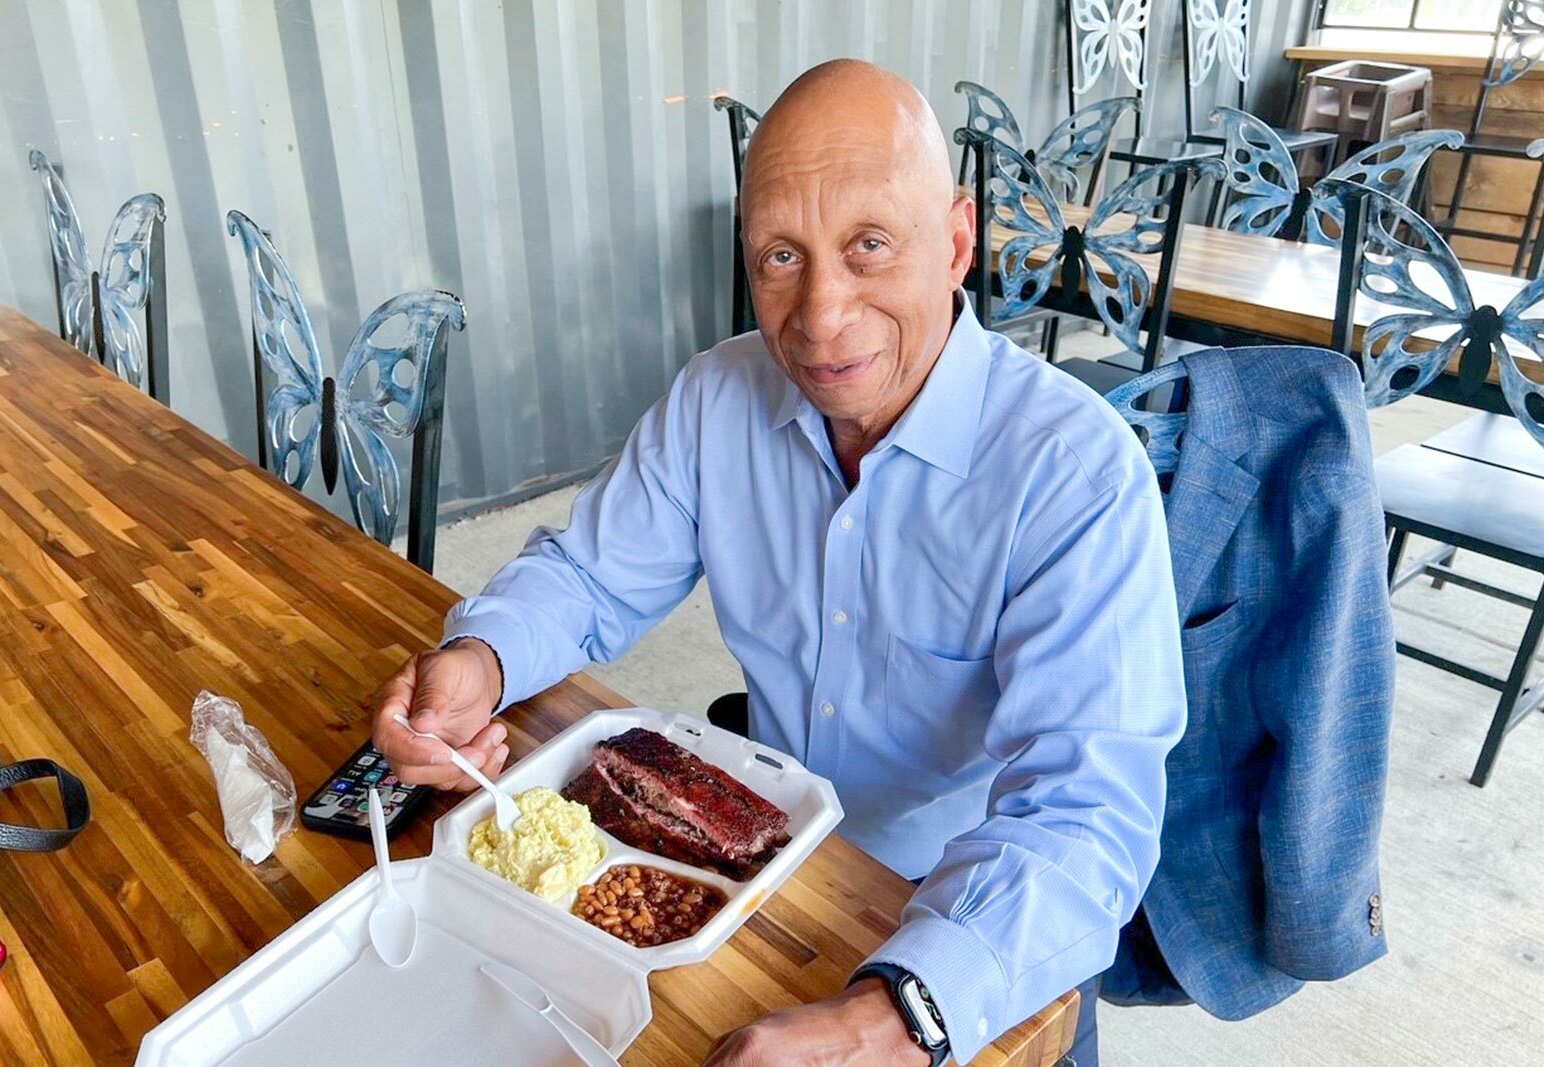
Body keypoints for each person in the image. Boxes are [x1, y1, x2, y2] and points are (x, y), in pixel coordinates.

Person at [370, 59, 1185, 1067]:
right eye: (779, 258)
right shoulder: (718, 398)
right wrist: (481, 663)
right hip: (768, 879)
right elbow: (587, 576)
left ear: (958, 242)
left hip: (979, 937)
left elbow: (1085, 811)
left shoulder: (1074, 472)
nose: (819, 315)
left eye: (869, 246)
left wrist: (898, 1019)